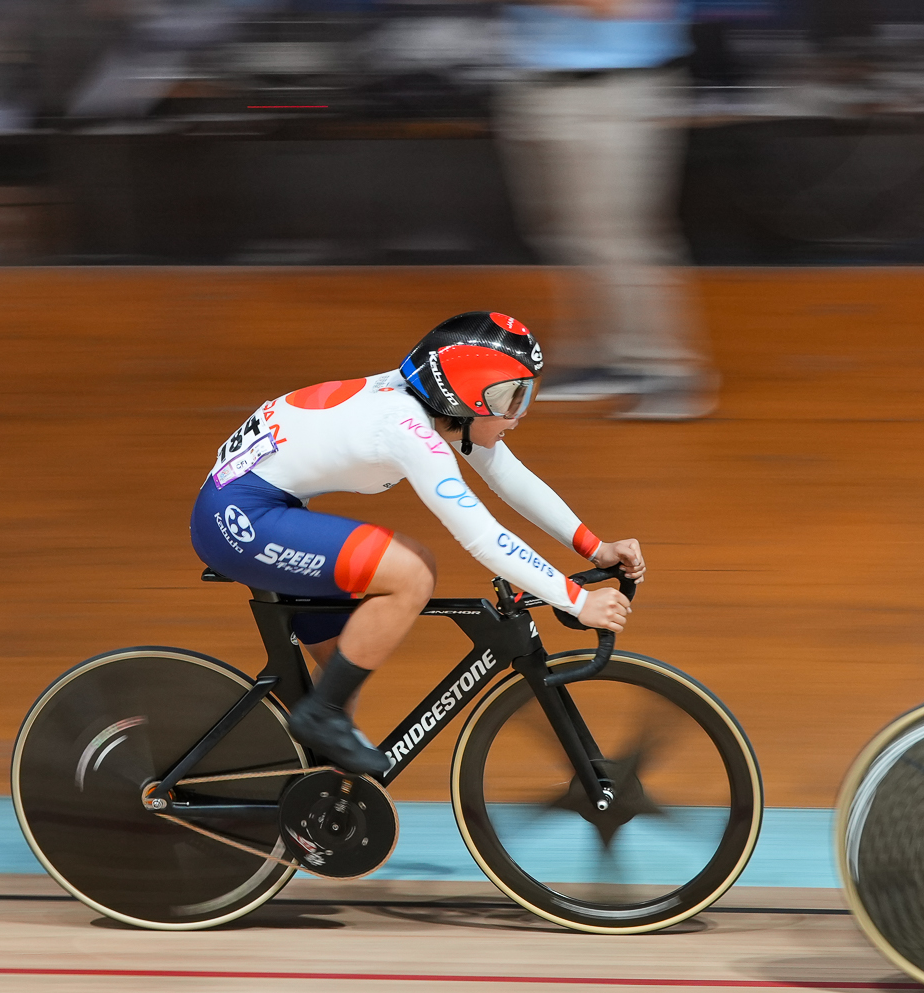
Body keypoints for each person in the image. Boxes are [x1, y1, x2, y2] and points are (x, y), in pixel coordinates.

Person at [189, 311, 644, 775]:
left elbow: (509, 476)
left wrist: (595, 548)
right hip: (240, 518)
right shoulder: (406, 430)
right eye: (511, 396)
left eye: (527, 393)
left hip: (262, 503)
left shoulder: (433, 404)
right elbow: (483, 539)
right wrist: (575, 599)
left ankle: (323, 805)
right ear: (465, 398)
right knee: (412, 571)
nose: (520, 413)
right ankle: (317, 717)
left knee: (345, 665)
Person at [494, 0, 716, 421]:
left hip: (614, 92)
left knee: (616, 236)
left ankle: (668, 373)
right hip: (535, 81)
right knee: (563, 233)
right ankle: (608, 359)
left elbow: (619, 6)